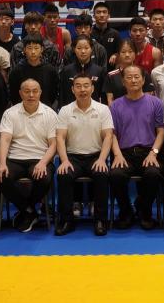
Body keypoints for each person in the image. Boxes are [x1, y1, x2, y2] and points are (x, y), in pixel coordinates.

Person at [0, 78, 58, 233]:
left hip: (39, 158)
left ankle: (25, 211)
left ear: (40, 93)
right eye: (27, 91)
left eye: (35, 91)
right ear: (20, 93)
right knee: (1, 176)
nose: (31, 95)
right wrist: (2, 163)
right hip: (15, 158)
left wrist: (43, 163)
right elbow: (5, 139)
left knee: (44, 177)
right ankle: (29, 211)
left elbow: (54, 144)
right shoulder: (10, 113)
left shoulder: (49, 113)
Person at [55, 73, 115, 236]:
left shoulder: (103, 109)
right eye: (78, 86)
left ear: (92, 88)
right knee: (63, 175)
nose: (82, 89)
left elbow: (108, 136)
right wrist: (64, 160)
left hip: (96, 156)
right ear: (72, 89)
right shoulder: (65, 110)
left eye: (86, 86)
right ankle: (66, 220)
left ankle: (100, 220)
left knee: (102, 173)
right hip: (72, 157)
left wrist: (102, 159)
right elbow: (60, 137)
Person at [109, 65, 164, 230]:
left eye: (137, 77)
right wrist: (117, 155)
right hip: (124, 153)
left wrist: (154, 153)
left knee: (153, 173)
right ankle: (126, 211)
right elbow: (112, 135)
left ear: (143, 80)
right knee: (116, 175)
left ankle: (145, 211)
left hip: (149, 151)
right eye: (129, 77)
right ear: (123, 81)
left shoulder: (156, 103)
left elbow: (161, 132)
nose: (133, 80)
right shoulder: (115, 106)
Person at [8, 35, 60, 108]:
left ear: (42, 49)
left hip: (45, 109)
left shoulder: (50, 71)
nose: (33, 52)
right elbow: (14, 95)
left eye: (36, 48)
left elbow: (53, 93)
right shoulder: (16, 71)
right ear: (24, 50)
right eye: (29, 48)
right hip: (22, 109)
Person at [59, 36, 105, 107]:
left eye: (86, 48)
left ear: (91, 49)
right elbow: (62, 95)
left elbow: (103, 96)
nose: (83, 51)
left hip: (93, 111)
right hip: (71, 111)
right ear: (74, 49)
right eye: (79, 48)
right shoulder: (66, 71)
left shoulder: (99, 71)